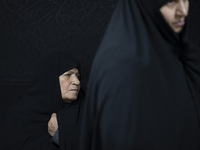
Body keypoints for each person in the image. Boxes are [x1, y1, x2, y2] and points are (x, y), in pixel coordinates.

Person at [79, 0, 200, 150]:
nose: (183, 11)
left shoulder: (181, 53)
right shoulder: (125, 68)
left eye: (185, 0)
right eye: (170, 2)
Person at [0, 51, 85, 150]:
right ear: (50, 79)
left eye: (77, 76)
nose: (77, 81)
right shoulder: (19, 118)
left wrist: (60, 135)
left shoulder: (86, 114)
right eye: (68, 75)